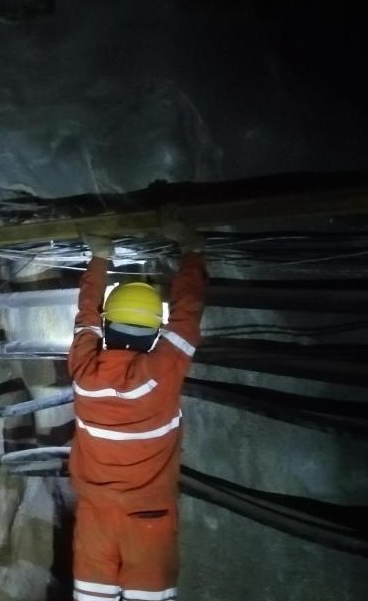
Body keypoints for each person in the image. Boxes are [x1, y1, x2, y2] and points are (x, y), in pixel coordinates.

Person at [68, 223, 207, 601]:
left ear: (109, 324)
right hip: (148, 522)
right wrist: (192, 252)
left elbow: (86, 319)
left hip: (96, 519)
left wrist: (100, 256)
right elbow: (187, 319)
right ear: (154, 331)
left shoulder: (85, 376)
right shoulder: (159, 376)